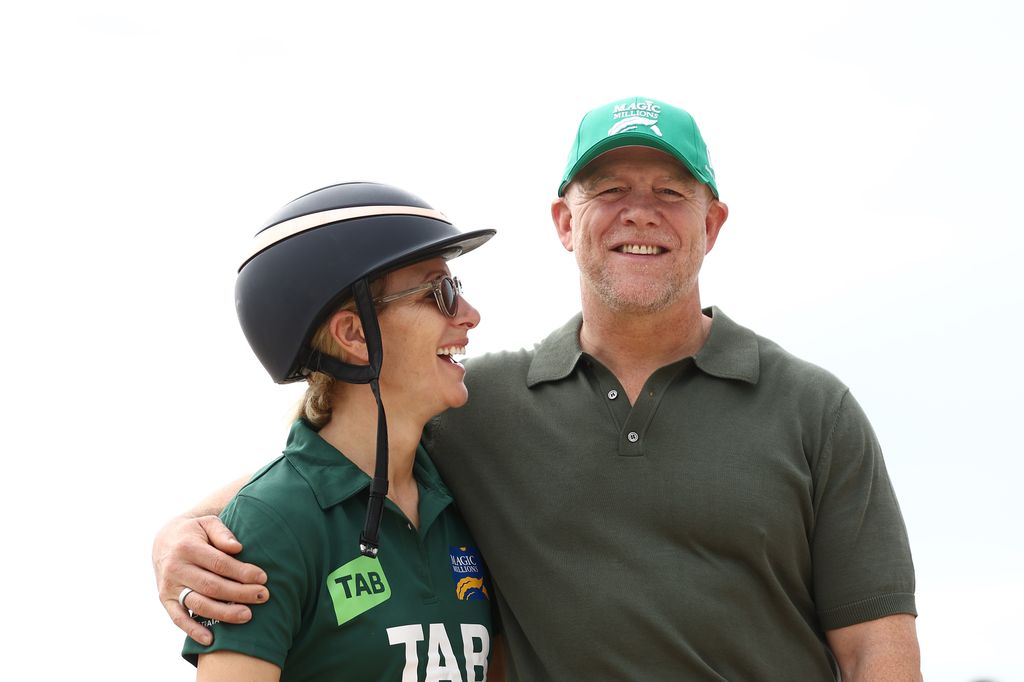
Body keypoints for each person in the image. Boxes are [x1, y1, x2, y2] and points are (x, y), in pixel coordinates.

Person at [154, 98, 921, 680]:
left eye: (670, 191)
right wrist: (177, 533)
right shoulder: (475, 406)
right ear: (564, 220)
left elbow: (874, 647)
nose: (640, 212)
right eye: (610, 188)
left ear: (712, 222)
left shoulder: (815, 410)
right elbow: (324, 467)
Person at [174, 181, 501, 681]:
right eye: (441, 292)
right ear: (354, 336)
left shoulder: (469, 495)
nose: (470, 315)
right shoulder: (268, 524)